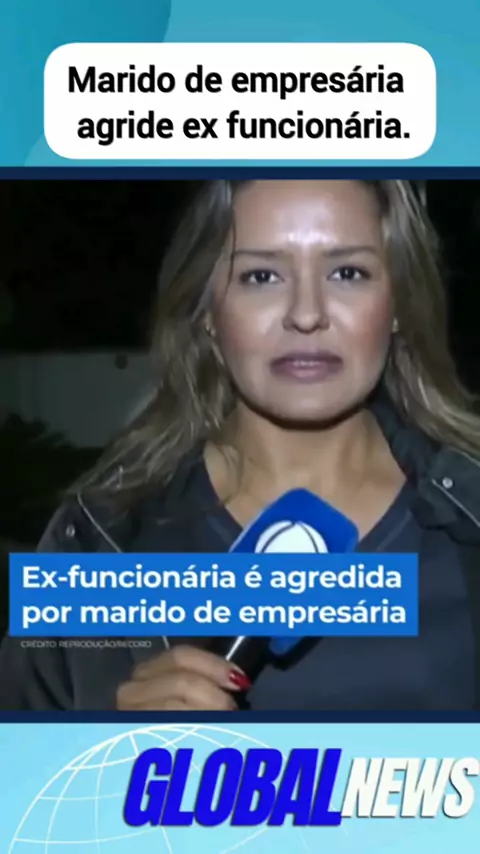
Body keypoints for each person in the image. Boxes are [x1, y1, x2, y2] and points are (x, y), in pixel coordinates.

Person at [1, 178, 480, 712]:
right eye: (261, 276)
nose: (306, 314)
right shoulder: (96, 542)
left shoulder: (468, 525)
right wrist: (110, 751)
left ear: (398, 305)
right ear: (206, 310)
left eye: (347, 273)